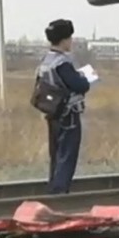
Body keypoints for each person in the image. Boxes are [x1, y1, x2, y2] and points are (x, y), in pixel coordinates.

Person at [35, 19, 90, 194]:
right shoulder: (62, 63)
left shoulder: (46, 60)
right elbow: (80, 86)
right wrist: (85, 78)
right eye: (70, 38)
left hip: (52, 112)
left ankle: (53, 187)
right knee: (67, 155)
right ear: (64, 40)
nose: (71, 41)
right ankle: (60, 192)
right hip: (69, 114)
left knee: (56, 154)